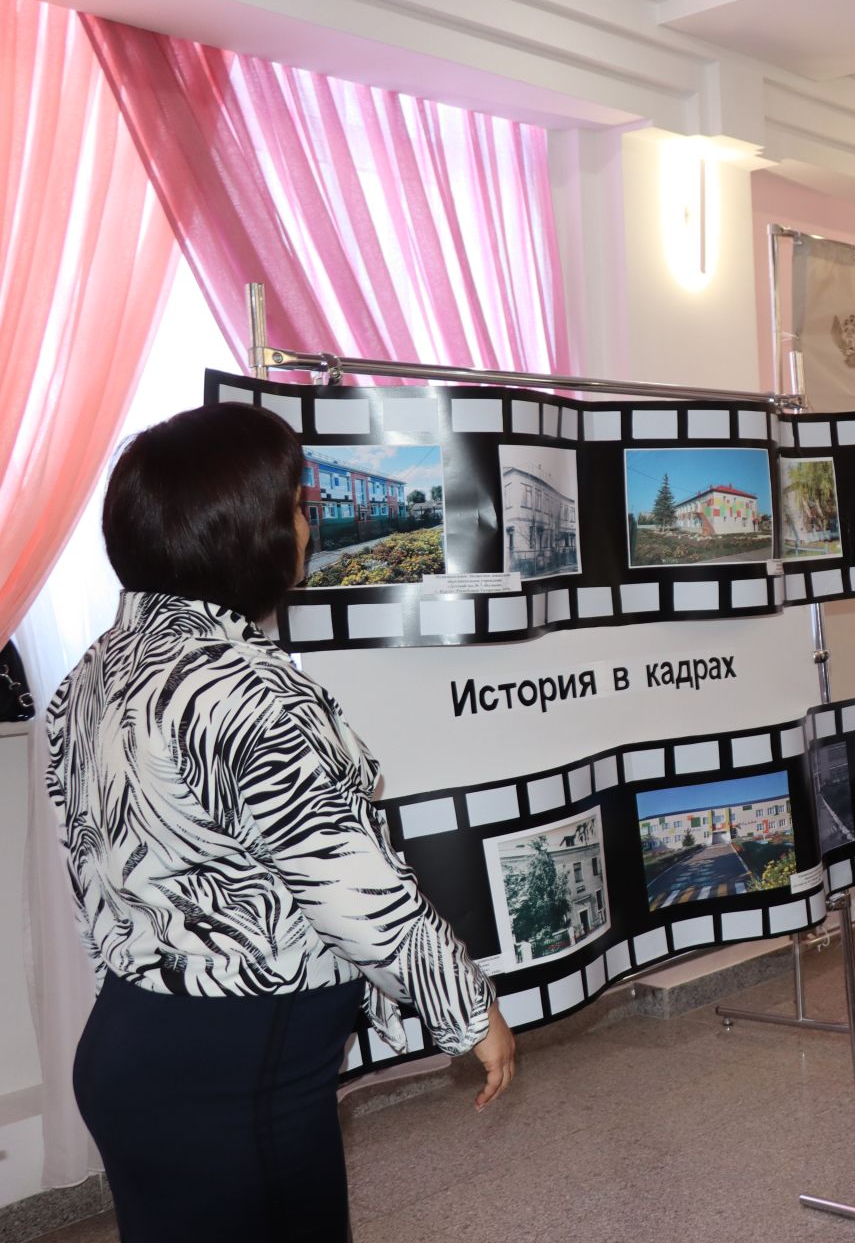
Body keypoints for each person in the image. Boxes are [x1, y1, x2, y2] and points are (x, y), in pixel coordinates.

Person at [43, 403, 515, 1243]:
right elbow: (355, 892)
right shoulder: (249, 692)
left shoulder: (93, 673)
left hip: (134, 1046)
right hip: (233, 1078)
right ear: (245, 533)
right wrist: (473, 1015)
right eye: (298, 507)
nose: (308, 525)